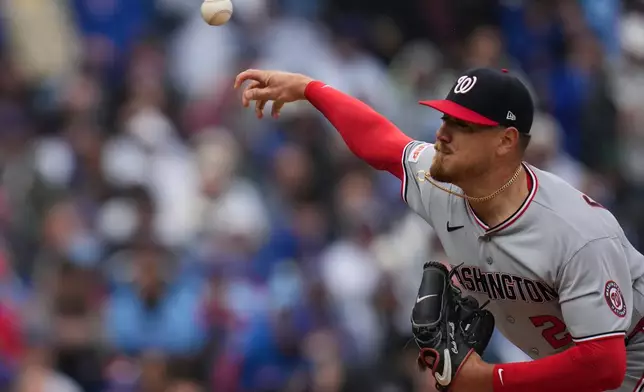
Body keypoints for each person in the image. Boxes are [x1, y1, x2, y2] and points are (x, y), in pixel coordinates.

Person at [233, 67, 644, 392]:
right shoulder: (441, 183)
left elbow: (604, 363)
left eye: (462, 125)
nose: (441, 134)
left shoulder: (578, 231)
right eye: (446, 118)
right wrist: (309, 88)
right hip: (573, 369)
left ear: (506, 141)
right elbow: (380, 141)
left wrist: (490, 380)